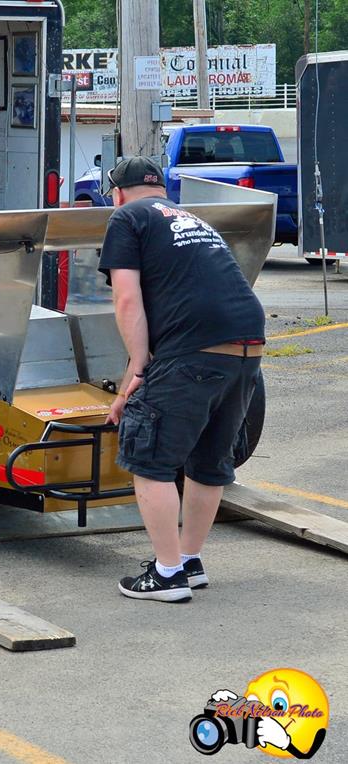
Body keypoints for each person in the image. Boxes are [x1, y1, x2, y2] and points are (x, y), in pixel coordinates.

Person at [100, 156, 265, 603]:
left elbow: (127, 301)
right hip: (246, 345)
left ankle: (167, 574)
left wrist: (140, 369)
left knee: (150, 460)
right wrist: (130, 384)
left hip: (195, 346)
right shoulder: (191, 220)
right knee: (208, 462)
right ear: (161, 189)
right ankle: (189, 562)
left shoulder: (126, 218)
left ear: (117, 193)